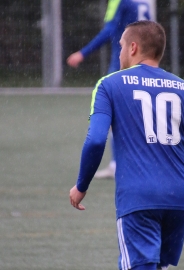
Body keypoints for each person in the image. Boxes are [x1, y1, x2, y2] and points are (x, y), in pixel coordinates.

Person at [69, 21, 184, 270]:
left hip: (140, 197)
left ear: (133, 47)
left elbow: (96, 140)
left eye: (121, 46)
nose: (119, 53)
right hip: (181, 198)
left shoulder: (109, 85)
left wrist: (81, 185)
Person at [67, 0, 156, 178]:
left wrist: (82, 53)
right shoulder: (142, 3)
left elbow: (109, 30)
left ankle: (118, 165)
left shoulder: (119, 1)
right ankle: (145, 162)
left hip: (121, 66)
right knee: (139, 114)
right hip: (145, 67)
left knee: (110, 115)